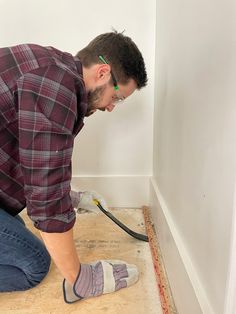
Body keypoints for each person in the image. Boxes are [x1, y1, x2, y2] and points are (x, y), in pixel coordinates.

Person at [0, 31, 147, 303]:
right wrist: (79, 278)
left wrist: (69, 196)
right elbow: (45, 200)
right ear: (103, 72)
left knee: (16, 227)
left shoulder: (52, 67)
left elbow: (31, 155)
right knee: (33, 263)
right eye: (118, 97)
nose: (112, 107)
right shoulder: (55, 88)